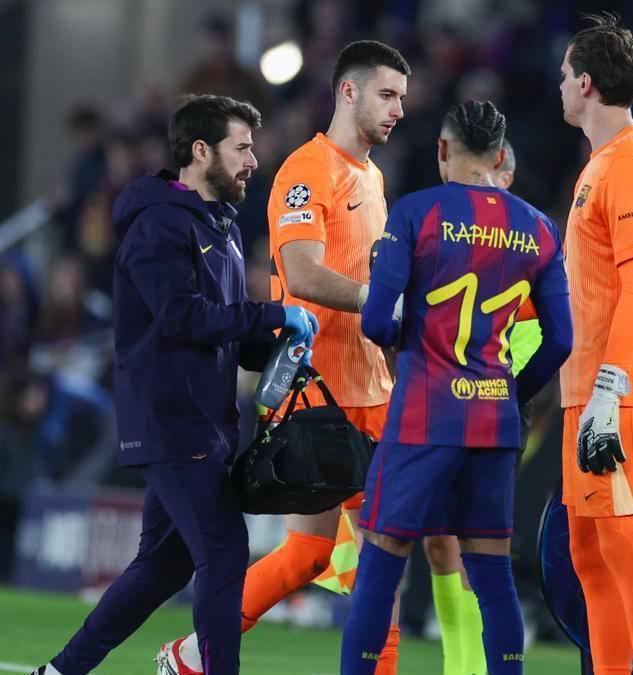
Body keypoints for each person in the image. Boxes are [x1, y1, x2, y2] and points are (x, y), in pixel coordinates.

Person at [31, 95, 317, 675]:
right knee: (223, 549)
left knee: (163, 567)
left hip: (205, 421)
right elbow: (181, 316)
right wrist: (269, 315)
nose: (252, 161)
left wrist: (279, 348)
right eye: (241, 148)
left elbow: (226, 331)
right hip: (171, 418)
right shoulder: (158, 223)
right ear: (201, 151)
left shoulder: (224, 228)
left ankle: (61, 671)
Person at [157, 40, 410, 675]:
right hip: (319, 398)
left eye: (403, 98)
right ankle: (197, 655)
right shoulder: (306, 170)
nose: (398, 110)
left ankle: (190, 658)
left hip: (371, 392)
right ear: (347, 92)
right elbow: (300, 274)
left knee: (325, 557)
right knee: (362, 562)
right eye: (386, 95)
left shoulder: (374, 177)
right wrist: (386, 304)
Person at [340, 100, 571, 675]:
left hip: (423, 414)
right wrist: (514, 392)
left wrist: (400, 334)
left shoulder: (417, 213)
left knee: (382, 561)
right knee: (491, 574)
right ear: (499, 157)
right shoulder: (539, 228)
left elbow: (374, 321)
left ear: (443, 151)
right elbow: (562, 339)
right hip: (496, 421)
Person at [557, 13, 633, 675]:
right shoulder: (602, 165)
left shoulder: (631, 164)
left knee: (630, 542)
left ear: (585, 84)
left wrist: (608, 388)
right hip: (590, 385)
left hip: (623, 388)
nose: (558, 87)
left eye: (563, 76)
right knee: (590, 550)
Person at [421, 135, 520, 675]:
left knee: (479, 556)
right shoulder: (440, 238)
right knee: (440, 546)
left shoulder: (525, 248)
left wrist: (507, 388)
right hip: (436, 408)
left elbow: (539, 338)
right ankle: (458, 665)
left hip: (491, 412)